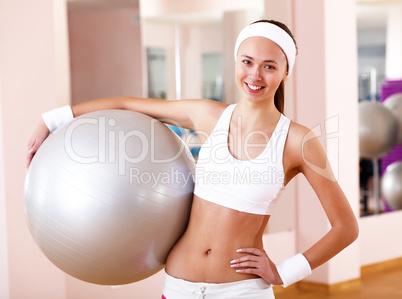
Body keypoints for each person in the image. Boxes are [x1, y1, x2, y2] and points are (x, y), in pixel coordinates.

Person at [27, 20, 359, 298]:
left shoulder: (298, 141)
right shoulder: (206, 115)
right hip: (179, 287)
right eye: (247, 61)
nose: (255, 75)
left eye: (269, 66)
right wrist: (52, 120)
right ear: (236, 63)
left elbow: (346, 227)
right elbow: (127, 105)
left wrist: (285, 271)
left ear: (286, 72)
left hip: (240, 292)